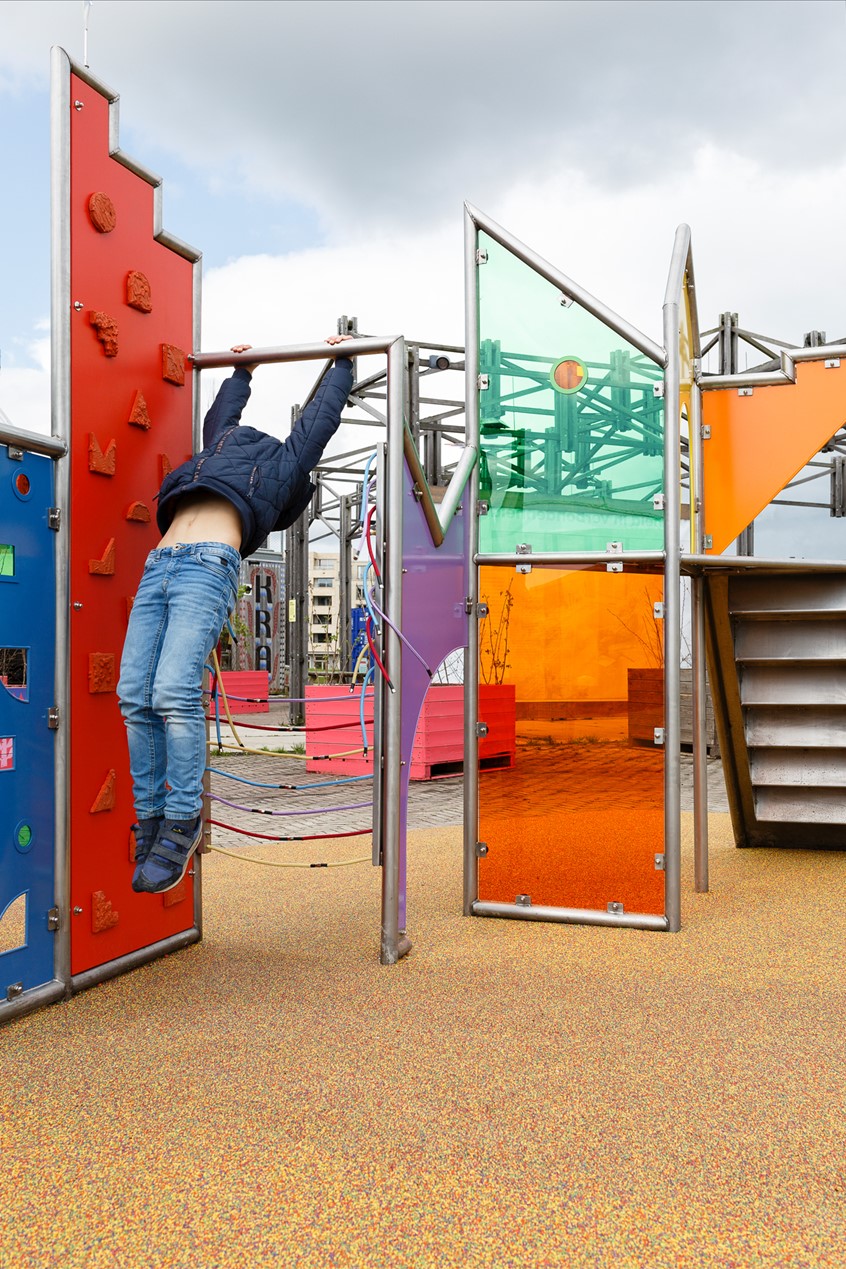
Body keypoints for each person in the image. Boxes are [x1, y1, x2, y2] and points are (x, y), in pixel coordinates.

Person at [117, 336, 354, 895]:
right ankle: (150, 815)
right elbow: (224, 411)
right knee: (135, 694)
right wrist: (242, 370)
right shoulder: (218, 442)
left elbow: (317, 422)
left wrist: (342, 364)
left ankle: (182, 818)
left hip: (208, 566)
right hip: (161, 564)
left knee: (173, 692)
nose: (243, 430)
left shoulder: (286, 465)